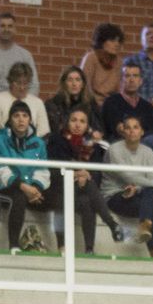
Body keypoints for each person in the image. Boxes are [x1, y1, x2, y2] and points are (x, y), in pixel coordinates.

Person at [47, 108, 120, 255]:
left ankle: (89, 250)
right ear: (67, 122)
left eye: (82, 121)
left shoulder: (94, 146)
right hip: (58, 188)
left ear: (88, 126)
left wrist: (86, 175)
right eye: (74, 120)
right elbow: (52, 167)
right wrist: (75, 174)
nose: (77, 125)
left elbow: (97, 172)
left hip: (83, 189)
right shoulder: (56, 140)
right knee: (66, 196)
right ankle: (111, 224)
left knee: (87, 201)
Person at [0, 100, 53, 253]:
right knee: (18, 197)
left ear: (30, 120)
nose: (21, 119)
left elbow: (42, 169)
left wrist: (35, 188)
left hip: (31, 189)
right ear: (10, 120)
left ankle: (64, 247)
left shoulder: (38, 143)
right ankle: (14, 246)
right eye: (16, 116)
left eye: (25, 115)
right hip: (4, 187)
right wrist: (24, 187)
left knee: (59, 197)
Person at [103, 114, 153, 257]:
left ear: (142, 131)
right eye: (127, 128)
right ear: (123, 131)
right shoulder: (114, 149)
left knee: (152, 193)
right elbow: (126, 175)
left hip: (139, 194)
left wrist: (138, 188)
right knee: (152, 199)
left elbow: (151, 178)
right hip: (115, 195)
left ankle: (145, 227)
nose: (131, 131)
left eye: (135, 127)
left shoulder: (148, 152)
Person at [0, 12, 39, 111]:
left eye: (10, 26)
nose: (6, 29)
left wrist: (23, 102)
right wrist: (6, 100)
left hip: (22, 102)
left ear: (15, 29)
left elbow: (34, 85)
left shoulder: (25, 55)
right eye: (2, 26)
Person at [101, 64, 153, 154]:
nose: (131, 79)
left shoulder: (147, 107)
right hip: (119, 142)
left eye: (135, 76)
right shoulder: (111, 102)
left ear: (140, 81)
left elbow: (152, 131)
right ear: (121, 81)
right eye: (127, 76)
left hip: (143, 144)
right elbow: (118, 129)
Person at [0, 62, 50, 137]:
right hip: (5, 144)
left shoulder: (38, 102)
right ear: (10, 82)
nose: (22, 87)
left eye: (25, 83)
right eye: (18, 83)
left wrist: (28, 141)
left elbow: (44, 130)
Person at [48, 66, 105, 142]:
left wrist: (94, 133)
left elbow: (98, 127)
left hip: (87, 142)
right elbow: (56, 130)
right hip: (62, 143)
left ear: (82, 84)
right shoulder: (54, 103)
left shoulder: (90, 103)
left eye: (77, 80)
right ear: (64, 83)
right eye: (70, 80)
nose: (74, 84)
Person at [78, 23, 125, 102]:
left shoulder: (119, 62)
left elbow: (119, 90)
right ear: (102, 42)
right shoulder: (91, 58)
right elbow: (84, 87)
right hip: (91, 103)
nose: (117, 44)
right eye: (112, 40)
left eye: (118, 41)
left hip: (110, 104)